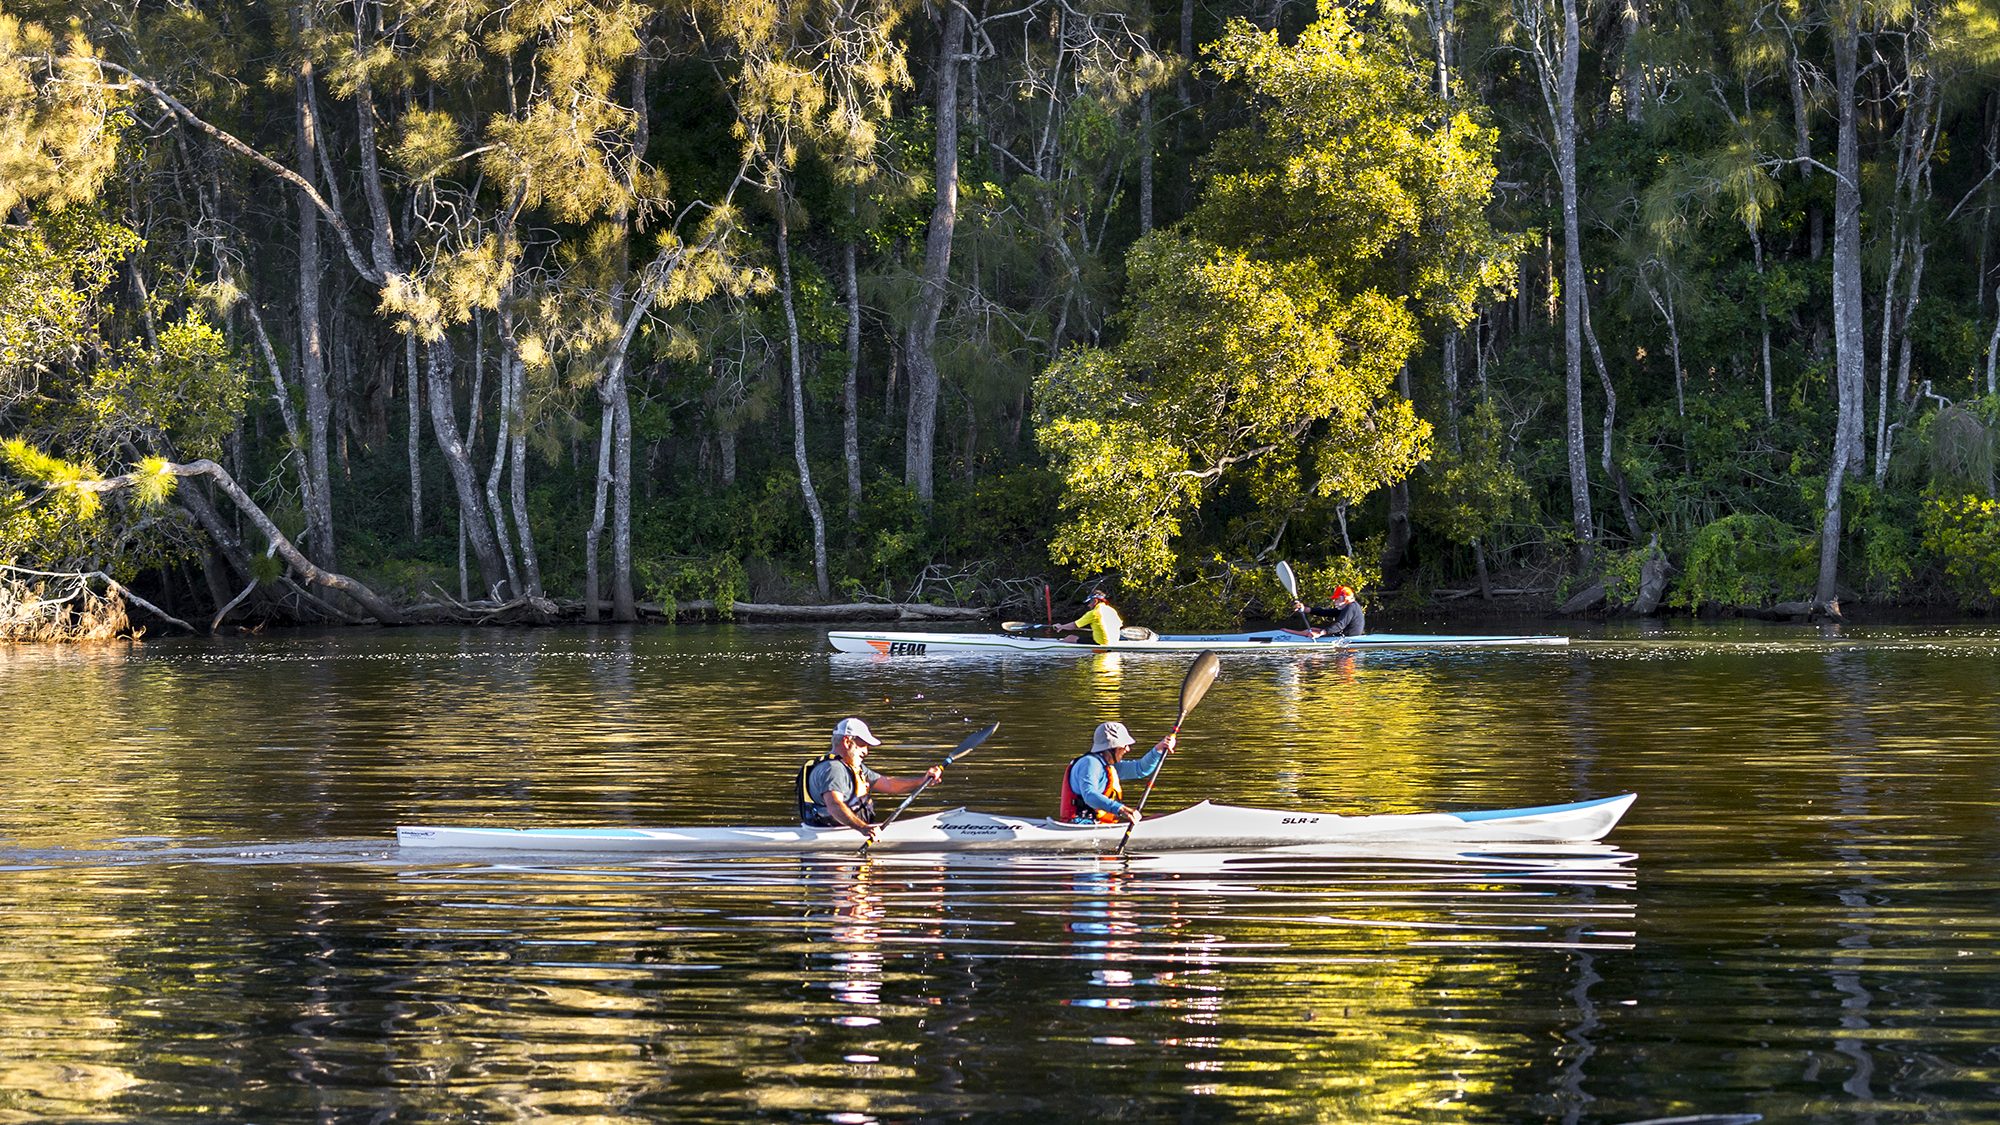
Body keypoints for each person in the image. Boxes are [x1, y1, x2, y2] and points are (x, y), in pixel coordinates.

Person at [797, 718, 944, 840]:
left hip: (849, 830)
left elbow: (889, 784)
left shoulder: (853, 767)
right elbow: (834, 805)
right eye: (863, 745)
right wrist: (863, 828)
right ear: (847, 742)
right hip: (830, 835)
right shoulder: (833, 769)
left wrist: (923, 780)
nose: (866, 751)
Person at [1058, 721, 1177, 825]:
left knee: (1160, 818)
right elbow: (1089, 795)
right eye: (1124, 745)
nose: (1127, 749)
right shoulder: (1090, 763)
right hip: (1081, 824)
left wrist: (1160, 748)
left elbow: (1140, 769)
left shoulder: (1109, 766)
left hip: (1100, 824)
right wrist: (1120, 809)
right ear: (1111, 747)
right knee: (1158, 820)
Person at [1293, 585, 1365, 638]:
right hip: (1344, 637)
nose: (1334, 601)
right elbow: (1326, 612)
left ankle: (1286, 636)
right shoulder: (1348, 607)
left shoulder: (1351, 607)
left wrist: (1320, 633)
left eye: (1336, 599)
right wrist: (1306, 609)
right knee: (1311, 630)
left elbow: (1340, 625)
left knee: (1309, 632)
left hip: (1348, 639)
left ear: (1344, 599)